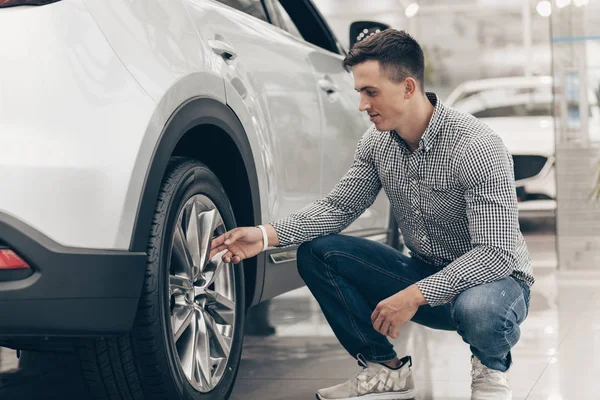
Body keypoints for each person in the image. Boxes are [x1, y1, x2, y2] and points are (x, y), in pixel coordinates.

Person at [210, 29, 533, 400]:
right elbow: (338, 207)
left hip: (495, 285)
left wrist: (414, 294)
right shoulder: (376, 144)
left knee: (479, 308)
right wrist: (265, 235)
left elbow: (496, 254)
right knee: (318, 252)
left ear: (408, 87)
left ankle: (491, 370)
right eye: (360, 93)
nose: (362, 105)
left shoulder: (476, 146)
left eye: (371, 92)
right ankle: (386, 370)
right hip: (425, 272)